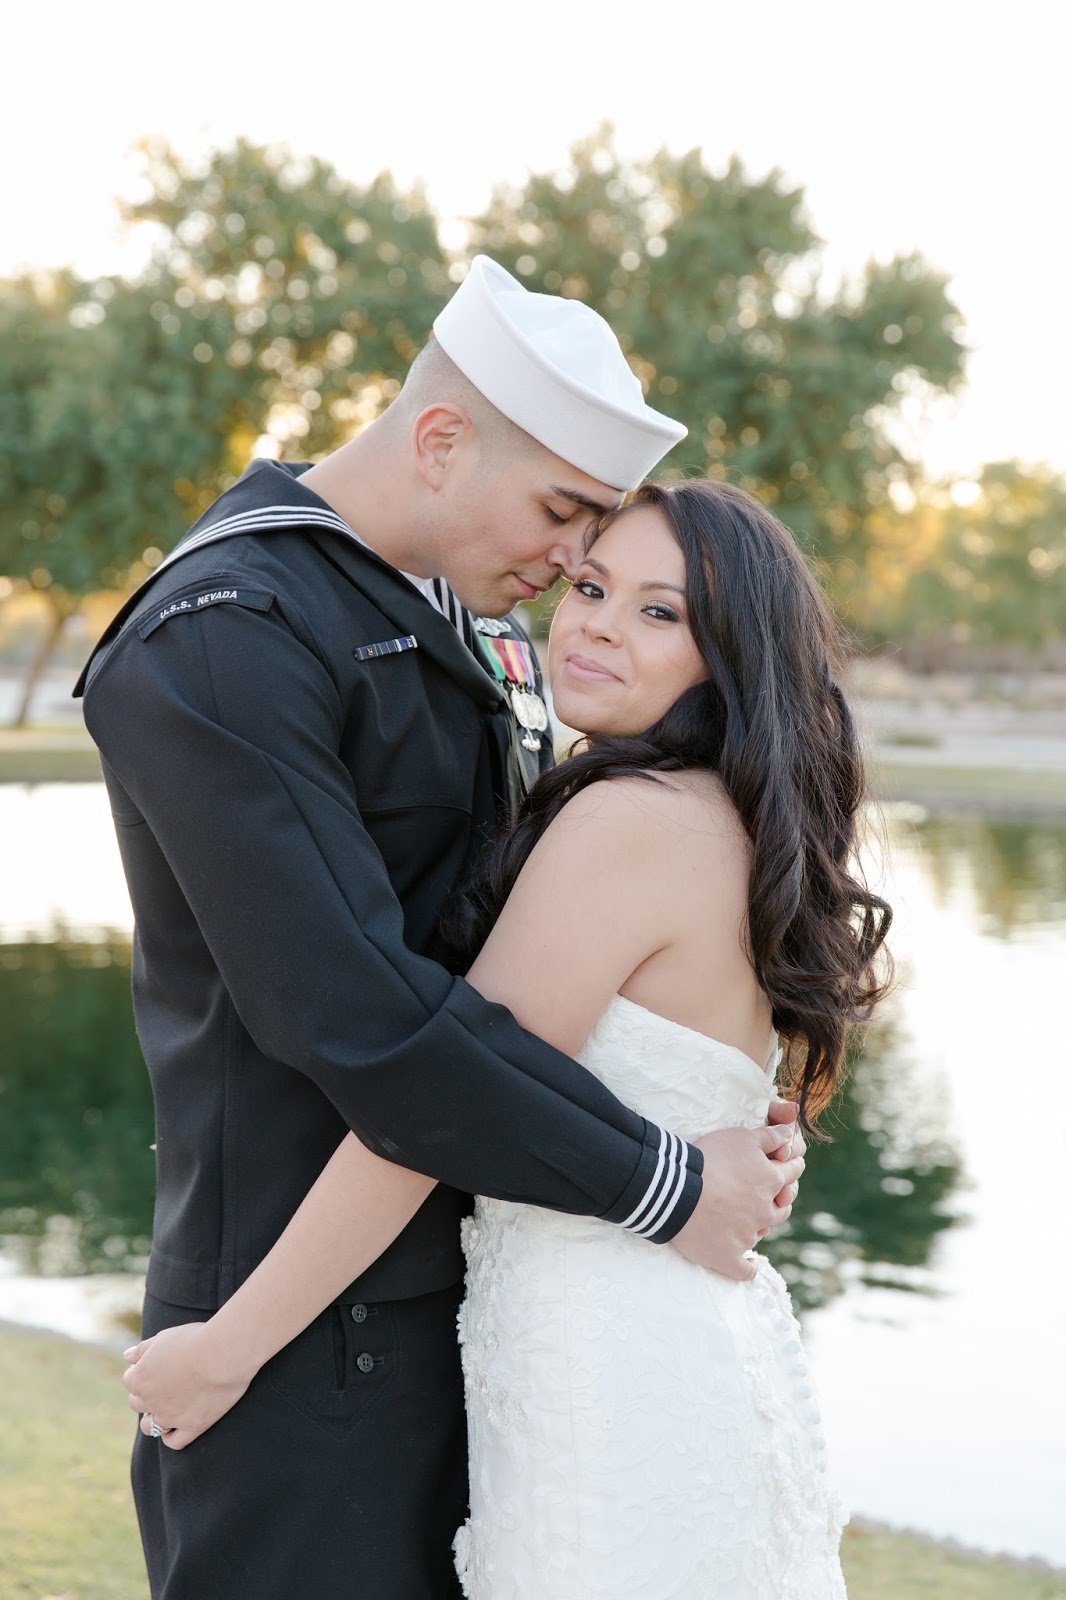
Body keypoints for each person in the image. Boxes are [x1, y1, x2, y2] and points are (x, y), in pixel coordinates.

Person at [78, 256, 806, 1599]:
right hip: (302, 1330)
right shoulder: (229, 634)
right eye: (560, 515)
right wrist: (667, 1181)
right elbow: (365, 1021)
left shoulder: (455, 628)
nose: (572, 559)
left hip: (483, 1298)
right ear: (439, 440)